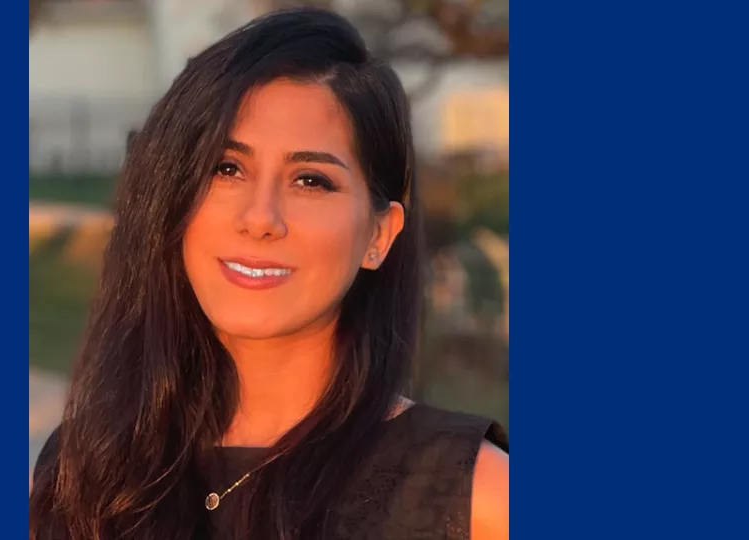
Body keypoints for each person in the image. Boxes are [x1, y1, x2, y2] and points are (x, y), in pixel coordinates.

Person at [29, 7, 508, 540]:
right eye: (226, 168)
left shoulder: (474, 496)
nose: (260, 218)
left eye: (310, 180)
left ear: (379, 235)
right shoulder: (84, 474)